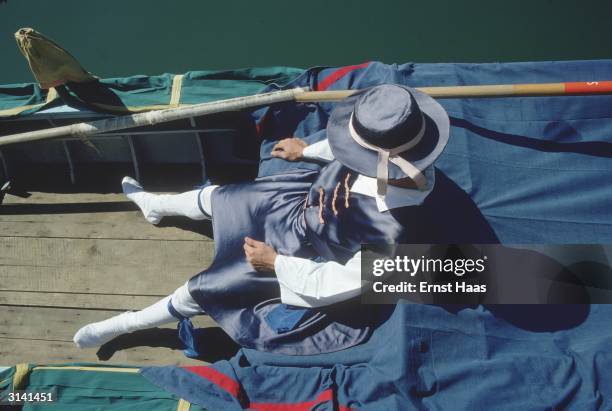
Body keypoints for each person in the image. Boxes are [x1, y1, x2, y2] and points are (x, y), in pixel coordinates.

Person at [73, 83, 450, 355]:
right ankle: (158, 206)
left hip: (310, 255)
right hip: (302, 201)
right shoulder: (397, 145)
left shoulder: (394, 235)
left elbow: (336, 283)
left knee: (207, 288)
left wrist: (276, 263)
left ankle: (126, 324)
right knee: (226, 195)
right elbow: (345, 153)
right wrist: (308, 151)